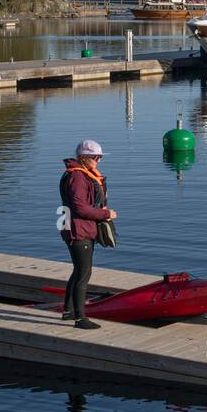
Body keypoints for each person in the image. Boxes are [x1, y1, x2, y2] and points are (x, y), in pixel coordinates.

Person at [59, 139, 117, 330]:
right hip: (78, 230)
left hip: (78, 228)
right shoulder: (77, 178)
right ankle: (80, 318)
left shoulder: (81, 175)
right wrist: (105, 214)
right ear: (83, 158)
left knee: (78, 271)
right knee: (84, 273)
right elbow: (80, 208)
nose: (98, 161)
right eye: (95, 157)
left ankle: (68, 311)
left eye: (99, 157)